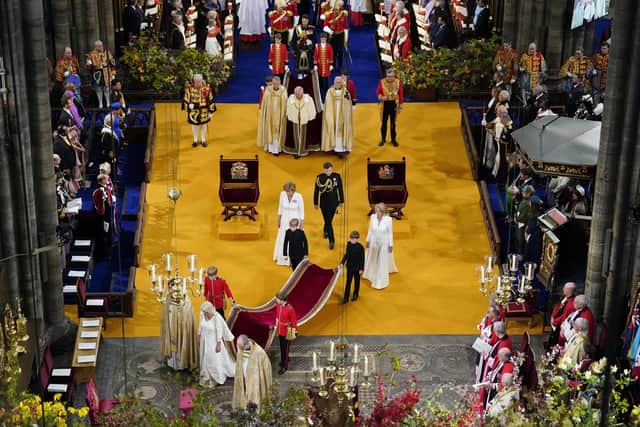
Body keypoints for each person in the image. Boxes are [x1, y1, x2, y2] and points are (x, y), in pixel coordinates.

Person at [198, 301, 235, 386]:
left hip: (213, 342)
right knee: (205, 358)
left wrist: (218, 344)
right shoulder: (202, 314)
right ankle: (206, 376)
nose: (204, 313)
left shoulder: (217, 317)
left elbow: (219, 331)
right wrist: (199, 337)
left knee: (213, 359)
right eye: (204, 312)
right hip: (204, 341)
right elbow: (200, 326)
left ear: (209, 311)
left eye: (206, 312)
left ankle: (217, 377)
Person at [232, 334, 272, 409]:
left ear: (247, 344)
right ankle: (244, 404)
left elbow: (266, 367)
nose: (240, 349)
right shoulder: (240, 347)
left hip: (255, 377)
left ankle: (254, 408)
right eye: (239, 346)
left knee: (253, 392)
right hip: (243, 373)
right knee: (244, 388)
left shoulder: (258, 352)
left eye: (241, 347)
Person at [363, 203, 397, 290]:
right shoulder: (372, 217)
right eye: (376, 210)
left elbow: (390, 233)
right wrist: (367, 241)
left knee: (381, 262)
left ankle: (380, 282)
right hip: (374, 242)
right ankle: (371, 275)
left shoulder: (388, 220)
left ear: (382, 211)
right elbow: (370, 230)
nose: (376, 212)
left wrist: (391, 245)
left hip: (384, 243)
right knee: (374, 259)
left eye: (378, 211)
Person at [160, 295, 198, 370]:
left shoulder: (186, 301)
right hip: (170, 325)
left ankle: (181, 363)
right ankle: (172, 363)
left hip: (181, 327)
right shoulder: (168, 298)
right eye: (170, 288)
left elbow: (187, 314)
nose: (171, 290)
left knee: (180, 341)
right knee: (171, 342)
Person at [313, 162, 344, 250]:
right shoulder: (320, 178)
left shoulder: (337, 177)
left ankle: (325, 230)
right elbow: (316, 191)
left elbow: (340, 189)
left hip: (334, 202)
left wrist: (341, 201)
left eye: (330, 170)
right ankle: (331, 240)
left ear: (332, 169)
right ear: (324, 170)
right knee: (329, 222)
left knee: (329, 220)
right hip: (324, 203)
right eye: (326, 171)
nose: (328, 172)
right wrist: (315, 202)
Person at [321, 76, 353, 156]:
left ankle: (341, 148)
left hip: (342, 115)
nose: (338, 84)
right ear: (334, 83)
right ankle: (331, 147)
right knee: (331, 127)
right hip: (332, 114)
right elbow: (327, 103)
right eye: (336, 82)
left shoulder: (345, 91)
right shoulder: (330, 91)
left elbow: (348, 102)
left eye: (339, 82)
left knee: (340, 130)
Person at [275, 182, 305, 265]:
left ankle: (295, 258)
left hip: (294, 220)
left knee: (295, 239)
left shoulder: (299, 196)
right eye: (287, 191)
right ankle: (283, 258)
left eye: (291, 191)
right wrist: (279, 220)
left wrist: (301, 223)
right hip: (284, 220)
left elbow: (302, 211)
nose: (289, 193)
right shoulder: (282, 195)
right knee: (284, 238)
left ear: (294, 190)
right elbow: (280, 208)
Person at [182, 73, 216, 147]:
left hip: (204, 110)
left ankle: (203, 140)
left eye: (199, 81)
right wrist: (188, 106)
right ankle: (195, 140)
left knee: (203, 126)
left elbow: (211, 100)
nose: (198, 83)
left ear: (202, 80)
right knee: (194, 126)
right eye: (196, 81)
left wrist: (211, 111)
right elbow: (185, 99)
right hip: (193, 111)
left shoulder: (207, 89)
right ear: (194, 81)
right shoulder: (189, 89)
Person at [257, 76, 288, 155]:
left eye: (277, 83)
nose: (275, 85)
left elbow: (285, 101)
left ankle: (277, 149)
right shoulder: (268, 90)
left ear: (280, 83)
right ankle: (269, 147)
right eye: (274, 83)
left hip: (279, 115)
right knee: (269, 129)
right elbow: (265, 102)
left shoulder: (283, 90)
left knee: (278, 131)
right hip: (270, 115)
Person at [286, 86, 317, 158]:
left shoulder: (308, 99)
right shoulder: (291, 99)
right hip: (295, 121)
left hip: (305, 121)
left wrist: (310, 117)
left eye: (299, 94)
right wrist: (290, 116)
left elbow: (312, 109)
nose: (297, 96)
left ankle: (303, 151)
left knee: (305, 136)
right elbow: (288, 108)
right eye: (296, 94)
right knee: (295, 136)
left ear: (302, 93)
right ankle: (297, 151)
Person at [376, 69, 404, 147]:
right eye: (388, 76)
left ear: (394, 76)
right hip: (385, 104)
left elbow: (401, 94)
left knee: (393, 123)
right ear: (386, 76)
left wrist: (401, 106)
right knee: (384, 123)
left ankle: (393, 140)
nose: (390, 78)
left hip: (394, 104)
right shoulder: (382, 82)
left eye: (392, 76)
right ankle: (383, 139)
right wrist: (381, 97)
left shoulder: (398, 82)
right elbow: (377, 92)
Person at [86, 40, 116, 109]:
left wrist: (113, 72)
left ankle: (108, 103)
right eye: (98, 46)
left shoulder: (107, 52)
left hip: (106, 71)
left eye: (101, 46)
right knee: (98, 88)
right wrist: (89, 64)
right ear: (95, 46)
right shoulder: (91, 54)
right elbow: (88, 66)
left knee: (107, 88)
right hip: (97, 73)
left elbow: (112, 63)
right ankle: (100, 103)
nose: (100, 47)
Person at [274, 292, 297, 375]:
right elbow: (277, 315)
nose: (276, 300)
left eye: (277, 299)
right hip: (281, 329)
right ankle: (285, 358)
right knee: (282, 347)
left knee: (285, 349)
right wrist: (276, 325)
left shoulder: (290, 309)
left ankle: (284, 366)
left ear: (281, 300)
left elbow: (294, 322)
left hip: (289, 330)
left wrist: (294, 332)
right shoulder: (278, 305)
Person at [340, 230, 365, 303]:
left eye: (353, 239)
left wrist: (361, 269)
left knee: (357, 282)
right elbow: (346, 255)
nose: (351, 240)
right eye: (350, 239)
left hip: (357, 268)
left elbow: (362, 259)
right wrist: (342, 262)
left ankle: (355, 294)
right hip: (350, 267)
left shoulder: (361, 248)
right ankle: (346, 297)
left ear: (357, 239)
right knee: (348, 282)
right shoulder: (349, 245)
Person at [323, 1, 349, 72]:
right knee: (332, 51)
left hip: (340, 35)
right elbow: (325, 26)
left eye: (340, 8)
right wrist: (330, 31)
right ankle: (332, 65)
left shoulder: (343, 14)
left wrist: (346, 38)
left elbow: (345, 27)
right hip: (332, 35)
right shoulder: (329, 14)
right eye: (337, 9)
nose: (338, 10)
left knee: (340, 52)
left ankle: (340, 66)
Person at [92, 174, 113, 260]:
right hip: (104, 216)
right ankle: (106, 251)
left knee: (104, 231)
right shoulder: (100, 191)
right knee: (105, 232)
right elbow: (104, 204)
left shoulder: (99, 190)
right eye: (106, 179)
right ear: (102, 181)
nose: (107, 181)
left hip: (102, 215)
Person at [314, 32, 334, 97]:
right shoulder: (318, 46)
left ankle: (326, 92)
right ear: (320, 39)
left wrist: (331, 64)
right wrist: (315, 64)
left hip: (326, 65)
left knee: (325, 80)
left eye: (324, 39)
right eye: (322, 39)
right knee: (319, 79)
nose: (323, 40)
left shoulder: (329, 46)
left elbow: (331, 55)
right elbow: (315, 56)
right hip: (320, 66)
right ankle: (320, 91)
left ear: (326, 39)